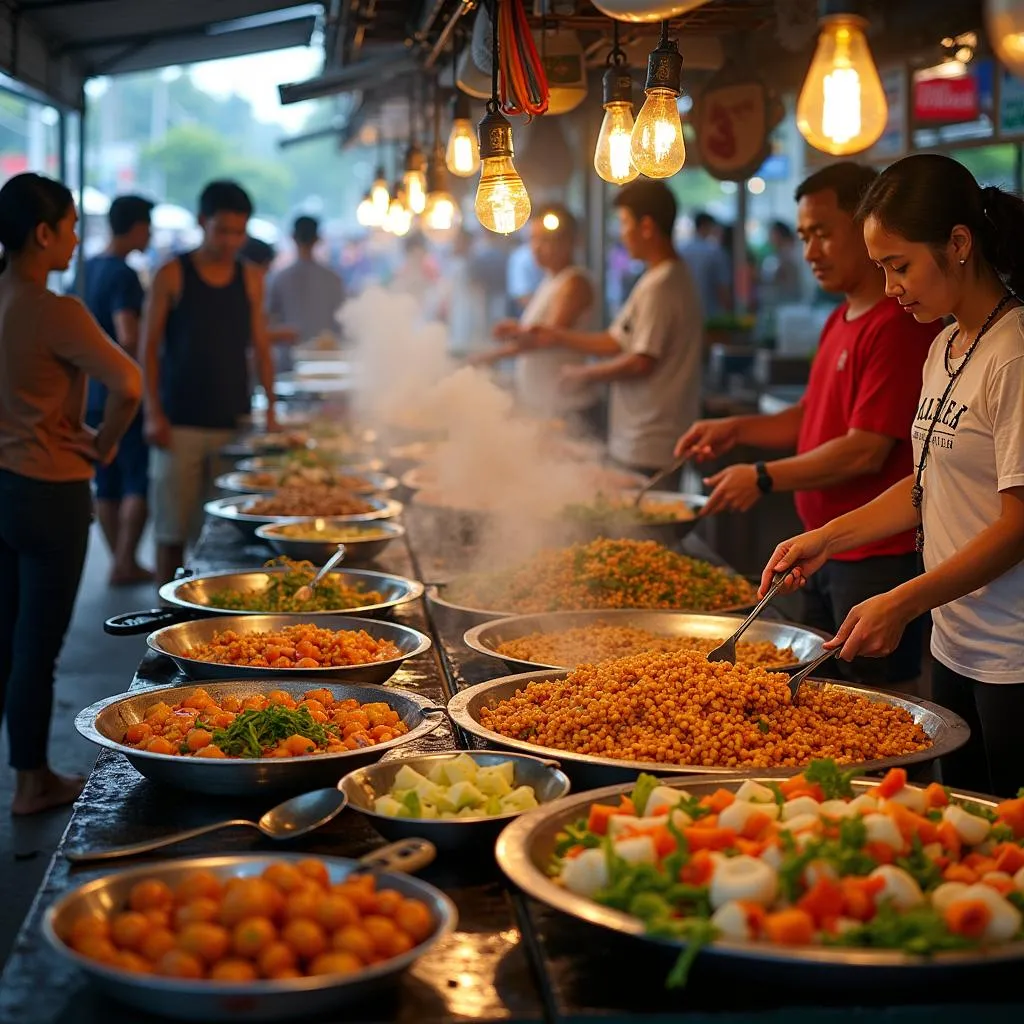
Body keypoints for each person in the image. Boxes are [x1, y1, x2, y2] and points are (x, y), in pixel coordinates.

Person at [762, 153, 1024, 796]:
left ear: (959, 244)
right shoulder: (945, 346)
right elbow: (924, 486)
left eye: (899, 266)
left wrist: (903, 602)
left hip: (1013, 655)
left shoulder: (1013, 353)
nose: (890, 288)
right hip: (954, 640)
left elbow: (1018, 526)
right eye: (882, 268)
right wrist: (827, 537)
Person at [678, 163, 938, 687]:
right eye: (803, 236)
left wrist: (765, 476)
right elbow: (813, 418)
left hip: (873, 559)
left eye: (822, 233)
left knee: (868, 703)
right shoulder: (839, 317)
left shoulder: (896, 326)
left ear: (867, 225)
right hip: (824, 551)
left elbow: (863, 450)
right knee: (818, 699)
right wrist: (739, 430)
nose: (810, 251)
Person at [0, 174, 141, 814]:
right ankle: (32, 782)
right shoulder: (55, 309)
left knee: (6, 638)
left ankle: (23, 771)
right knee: (38, 647)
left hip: (2, 488)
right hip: (48, 493)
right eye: (72, 225)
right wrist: (105, 444)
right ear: (43, 233)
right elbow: (129, 383)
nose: (78, 238)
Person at [141, 180, 276, 586]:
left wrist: (269, 407)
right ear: (203, 222)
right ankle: (164, 613)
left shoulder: (251, 277)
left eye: (240, 231)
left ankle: (202, 615)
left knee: (220, 533)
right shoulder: (171, 274)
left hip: (232, 423)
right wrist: (152, 412)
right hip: (177, 422)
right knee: (171, 532)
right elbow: (147, 349)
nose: (232, 241)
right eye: (223, 230)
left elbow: (261, 346)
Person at [524, 180, 702, 484]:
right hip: (637, 434)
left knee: (645, 527)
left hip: (651, 436)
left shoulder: (663, 285)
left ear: (646, 227)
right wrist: (557, 335)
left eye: (624, 223)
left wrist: (584, 375)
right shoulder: (656, 279)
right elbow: (616, 341)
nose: (621, 233)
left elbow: (642, 361)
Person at [83, 194, 154, 586]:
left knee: (105, 481)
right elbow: (127, 334)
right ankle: (126, 561)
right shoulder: (124, 274)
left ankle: (119, 561)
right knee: (136, 479)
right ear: (138, 226)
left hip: (89, 395)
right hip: (120, 394)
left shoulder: (87, 267)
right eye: (149, 225)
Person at [473, 205, 597, 422]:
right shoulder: (551, 280)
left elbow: (548, 337)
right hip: (545, 401)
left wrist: (493, 355)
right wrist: (517, 331)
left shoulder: (574, 282)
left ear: (569, 241)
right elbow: (540, 332)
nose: (537, 248)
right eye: (533, 239)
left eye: (546, 240)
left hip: (564, 404)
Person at [266, 216, 345, 355]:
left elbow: (269, 320)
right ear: (318, 239)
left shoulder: (279, 278)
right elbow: (343, 321)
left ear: (292, 237)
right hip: (326, 357)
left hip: (291, 359)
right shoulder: (333, 279)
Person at [681, 211, 731, 320]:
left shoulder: (681, 250)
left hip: (684, 314)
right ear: (707, 226)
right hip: (710, 316)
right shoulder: (715, 252)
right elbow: (722, 288)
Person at [761, 220, 804, 305]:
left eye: (772, 234)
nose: (769, 238)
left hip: (794, 305)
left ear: (779, 235)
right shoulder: (777, 256)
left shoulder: (793, 254)